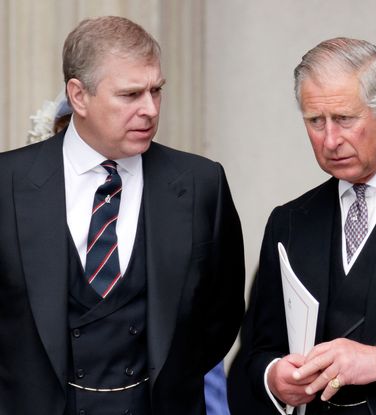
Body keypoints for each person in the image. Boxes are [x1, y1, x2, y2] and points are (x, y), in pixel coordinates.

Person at [0, 16, 245, 415]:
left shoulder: (201, 184)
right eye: (131, 94)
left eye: (156, 91)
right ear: (78, 96)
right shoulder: (6, 184)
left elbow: (222, 314)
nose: (149, 109)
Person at [244, 37, 376, 415]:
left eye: (344, 119)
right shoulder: (288, 223)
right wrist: (274, 378)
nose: (331, 140)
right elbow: (255, 353)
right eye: (315, 121)